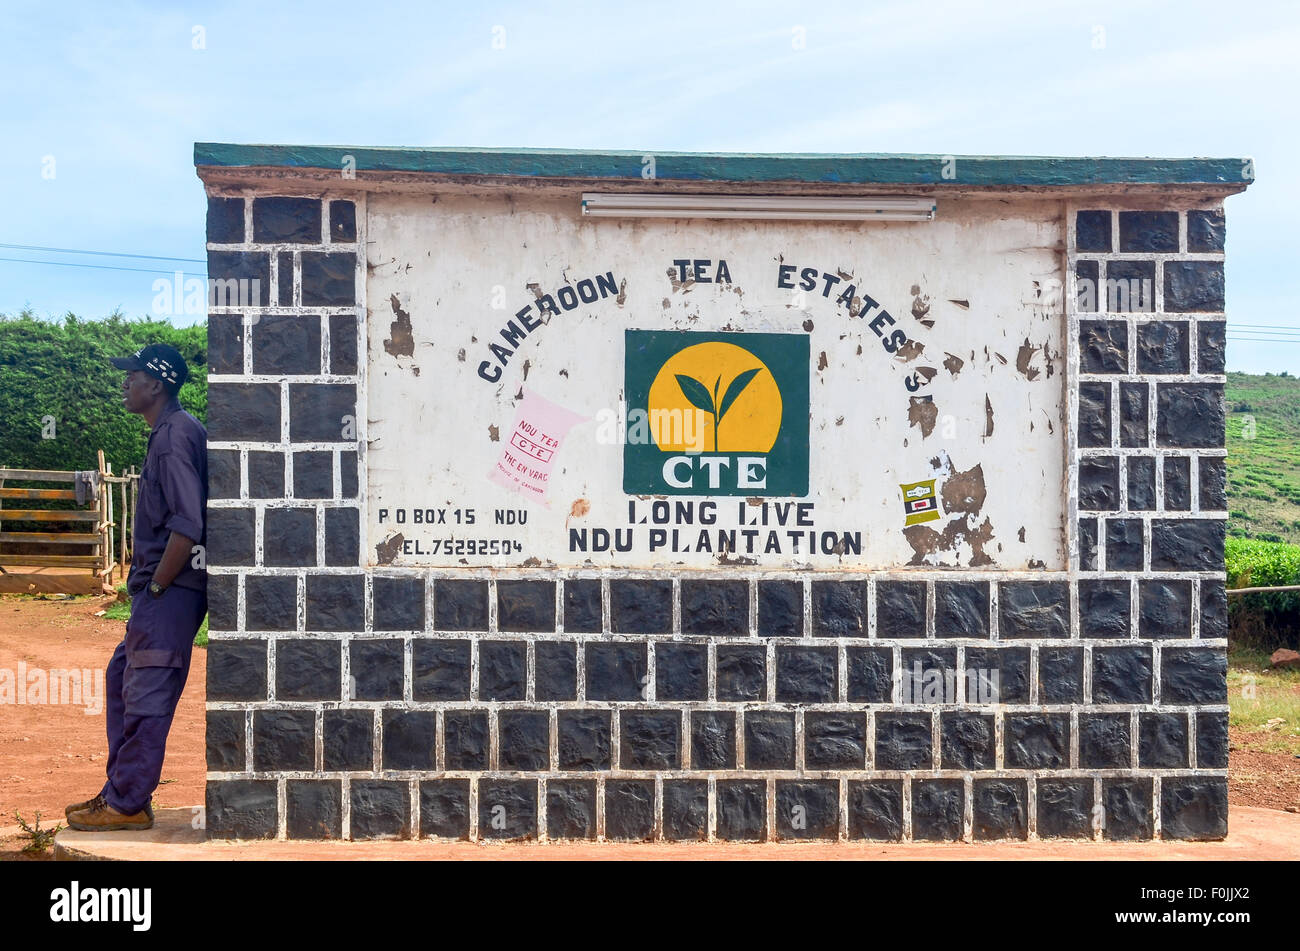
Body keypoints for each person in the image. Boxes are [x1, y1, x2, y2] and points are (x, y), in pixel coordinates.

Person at [66, 343, 208, 831]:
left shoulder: (173, 439)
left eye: (133, 375)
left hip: (169, 593)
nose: (125, 382)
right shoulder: (169, 434)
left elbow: (189, 523)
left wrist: (158, 588)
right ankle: (123, 793)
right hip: (164, 593)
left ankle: (126, 803)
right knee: (122, 678)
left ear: (158, 384)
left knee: (146, 692)